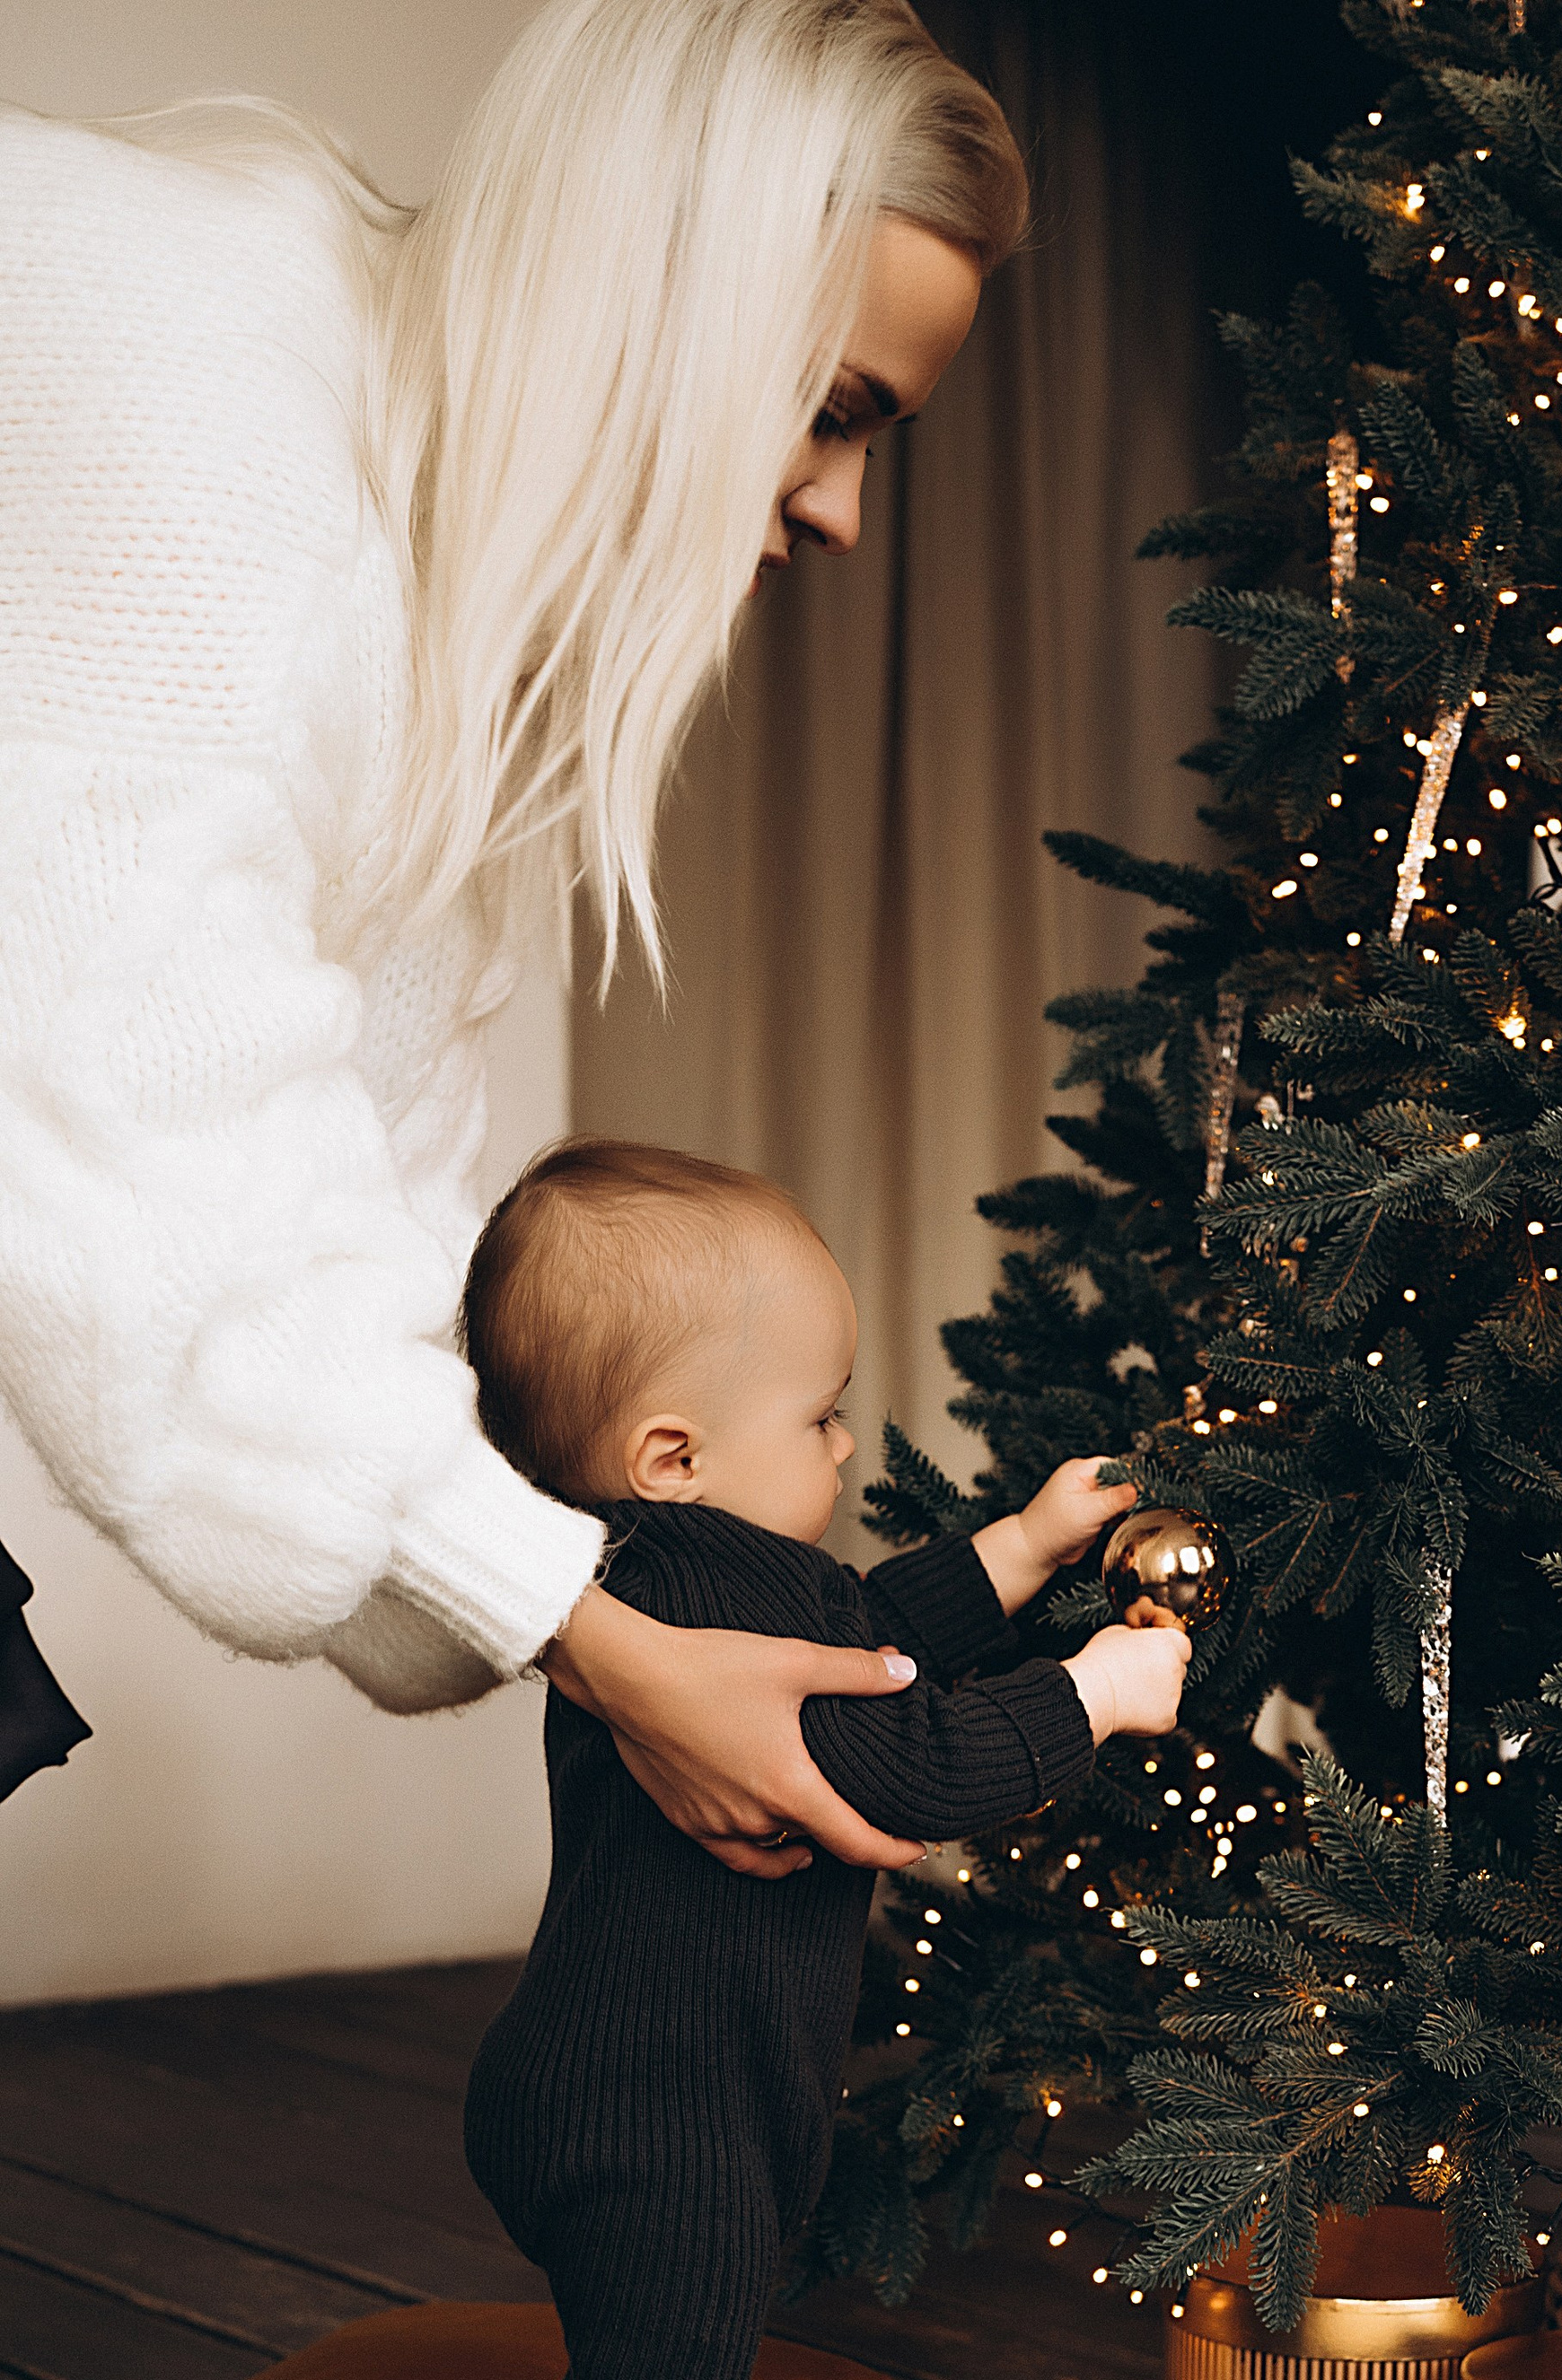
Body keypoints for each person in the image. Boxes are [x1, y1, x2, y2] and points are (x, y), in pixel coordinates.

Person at [0, 0, 1027, 1877]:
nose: (843, 514)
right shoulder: (202, 406)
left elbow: (358, 1210)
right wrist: (612, 1648)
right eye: (826, 412)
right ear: (663, 302)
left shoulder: (416, 577)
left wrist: (613, 1613)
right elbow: (162, 1228)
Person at [457, 1142, 1190, 2380]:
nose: (852, 1444)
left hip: (605, 2076)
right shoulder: (710, 1590)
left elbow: (871, 1627)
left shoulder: (659, 1579)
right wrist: (1095, 1692)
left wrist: (1015, 1547)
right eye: (825, 1416)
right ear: (675, 1452)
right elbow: (909, 1752)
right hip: (660, 2111)